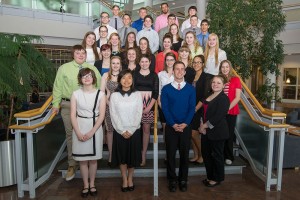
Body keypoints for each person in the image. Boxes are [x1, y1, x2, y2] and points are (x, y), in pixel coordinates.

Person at [52, 45, 101, 181]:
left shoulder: (92, 69)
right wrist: (55, 105)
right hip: (68, 105)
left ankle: (88, 160)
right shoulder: (64, 68)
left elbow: (99, 85)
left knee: (88, 133)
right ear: (73, 54)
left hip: (88, 107)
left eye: (83, 53)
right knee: (71, 134)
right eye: (77, 53)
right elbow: (57, 87)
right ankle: (72, 164)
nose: (80, 55)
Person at [161, 61, 196, 192]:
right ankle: (172, 180)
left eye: (182, 69)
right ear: (173, 71)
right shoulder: (166, 89)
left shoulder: (190, 89)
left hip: (186, 127)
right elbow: (165, 108)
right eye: (177, 69)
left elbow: (192, 108)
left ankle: (183, 179)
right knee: (170, 155)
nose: (180, 71)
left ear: (185, 72)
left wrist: (185, 123)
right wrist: (173, 124)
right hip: (171, 127)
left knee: (184, 155)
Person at [71, 68, 106, 198]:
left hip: (95, 128)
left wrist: (92, 132)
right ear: (80, 79)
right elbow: (72, 115)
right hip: (79, 126)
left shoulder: (101, 94)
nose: (87, 78)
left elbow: (101, 116)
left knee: (93, 160)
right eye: (84, 76)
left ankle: (92, 184)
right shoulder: (75, 94)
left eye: (89, 76)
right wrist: (78, 132)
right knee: (83, 160)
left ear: (93, 78)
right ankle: (85, 185)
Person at [110, 69, 143, 192]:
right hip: (120, 132)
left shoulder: (137, 94)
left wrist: (131, 129)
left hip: (134, 131)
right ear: (119, 80)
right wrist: (122, 130)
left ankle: (130, 178)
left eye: (129, 77)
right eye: (123, 78)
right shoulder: (114, 95)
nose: (126, 80)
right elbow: (113, 114)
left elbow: (139, 112)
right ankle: (124, 179)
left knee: (132, 158)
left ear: (132, 80)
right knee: (122, 157)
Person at [199, 75, 230, 187]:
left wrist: (205, 126)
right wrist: (201, 124)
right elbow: (203, 113)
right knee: (206, 155)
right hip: (206, 132)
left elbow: (218, 116)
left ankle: (217, 178)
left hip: (218, 132)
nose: (215, 84)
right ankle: (210, 176)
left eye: (218, 83)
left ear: (223, 85)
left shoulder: (224, 98)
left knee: (217, 156)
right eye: (214, 82)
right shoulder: (209, 95)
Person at [133, 55, 159, 166]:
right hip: (135, 105)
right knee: (134, 129)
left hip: (149, 105)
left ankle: (143, 154)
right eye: (142, 61)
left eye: (146, 61)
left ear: (149, 63)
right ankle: (135, 153)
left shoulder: (154, 75)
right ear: (139, 63)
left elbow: (156, 92)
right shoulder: (134, 74)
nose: (144, 63)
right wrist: (136, 106)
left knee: (146, 129)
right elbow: (131, 89)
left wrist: (149, 107)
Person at [100, 56, 122, 165]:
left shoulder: (124, 75)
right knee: (110, 131)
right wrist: (109, 103)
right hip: (108, 106)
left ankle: (120, 155)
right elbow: (101, 92)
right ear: (110, 64)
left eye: (117, 63)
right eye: (113, 63)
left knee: (120, 130)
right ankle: (111, 155)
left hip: (122, 107)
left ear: (120, 64)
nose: (115, 65)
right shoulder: (105, 75)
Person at [219, 60, 242, 165]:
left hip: (231, 111)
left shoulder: (236, 79)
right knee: (220, 134)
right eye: (223, 67)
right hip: (219, 111)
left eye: (227, 67)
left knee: (228, 134)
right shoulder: (218, 79)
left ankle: (229, 156)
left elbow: (237, 98)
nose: (225, 69)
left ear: (230, 67)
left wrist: (226, 109)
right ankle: (221, 155)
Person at [190, 55, 211, 165]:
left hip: (200, 109)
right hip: (191, 108)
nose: (196, 64)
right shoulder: (191, 76)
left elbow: (205, 96)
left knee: (194, 133)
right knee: (191, 133)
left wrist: (196, 108)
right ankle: (196, 155)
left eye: (199, 62)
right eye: (194, 62)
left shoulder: (206, 77)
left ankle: (203, 155)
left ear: (203, 64)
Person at [157, 52, 175, 143]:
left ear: (175, 61)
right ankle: (168, 152)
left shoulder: (178, 74)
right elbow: (158, 92)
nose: (169, 62)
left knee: (173, 128)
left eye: (171, 60)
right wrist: (161, 105)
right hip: (163, 105)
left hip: (175, 106)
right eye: (167, 60)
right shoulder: (160, 74)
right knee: (165, 129)